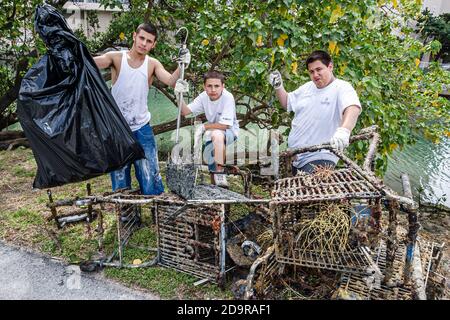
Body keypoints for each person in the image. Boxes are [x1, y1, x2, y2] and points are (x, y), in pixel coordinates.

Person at [93, 22, 191, 195]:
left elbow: (170, 81)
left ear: (153, 45)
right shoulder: (116, 57)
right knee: (120, 175)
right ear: (134, 36)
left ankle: (155, 210)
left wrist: (182, 65)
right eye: (142, 38)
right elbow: (90, 63)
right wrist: (72, 54)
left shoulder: (152, 64)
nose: (144, 43)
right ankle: (127, 215)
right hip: (117, 129)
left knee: (149, 174)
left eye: (149, 41)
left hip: (142, 128)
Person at [269, 50, 361, 175]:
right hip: (297, 158)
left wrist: (344, 130)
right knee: (298, 192)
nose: (315, 74)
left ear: (330, 66)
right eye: (311, 72)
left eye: (319, 69)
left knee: (307, 191)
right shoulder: (307, 87)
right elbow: (287, 103)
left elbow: (352, 108)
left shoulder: (342, 87)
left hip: (321, 158)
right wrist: (278, 86)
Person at [174, 71, 239, 187]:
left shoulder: (228, 97)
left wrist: (204, 127)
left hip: (229, 131)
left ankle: (220, 173)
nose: (213, 89)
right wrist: (179, 96)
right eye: (209, 86)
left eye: (217, 86)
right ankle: (217, 188)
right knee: (211, 160)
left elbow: (225, 125)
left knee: (217, 135)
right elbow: (185, 111)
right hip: (212, 133)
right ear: (204, 86)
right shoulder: (204, 96)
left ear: (223, 86)